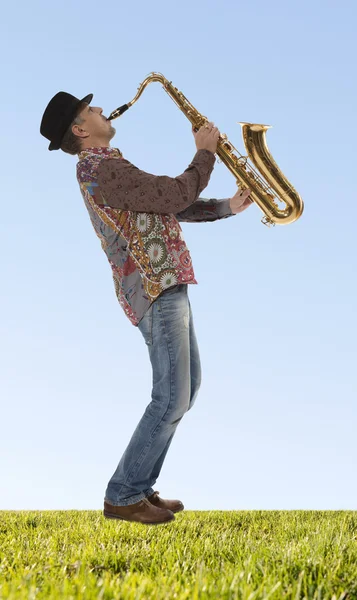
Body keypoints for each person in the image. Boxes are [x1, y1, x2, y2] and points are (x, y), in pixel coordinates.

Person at [40, 90, 252, 525]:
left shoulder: (109, 166)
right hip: (155, 284)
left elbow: (164, 205)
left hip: (167, 281)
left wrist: (228, 207)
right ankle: (123, 495)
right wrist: (205, 155)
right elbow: (172, 194)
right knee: (171, 395)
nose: (102, 110)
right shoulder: (98, 167)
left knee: (185, 392)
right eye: (91, 110)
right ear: (81, 129)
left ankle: (139, 487)